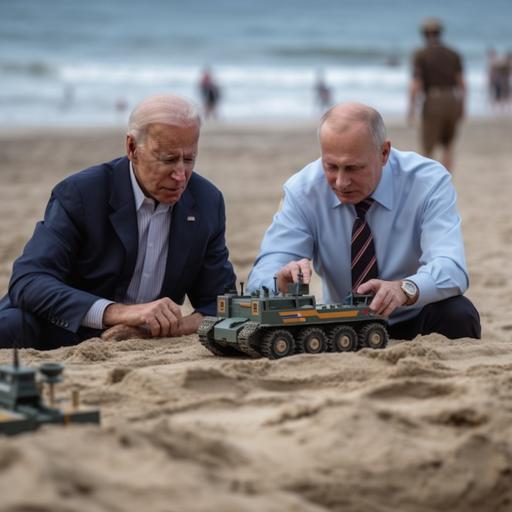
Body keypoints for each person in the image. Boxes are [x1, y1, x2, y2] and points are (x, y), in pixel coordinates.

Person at [0, 94, 236, 349]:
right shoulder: (81, 193)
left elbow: (222, 303)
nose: (180, 176)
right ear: (132, 148)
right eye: (167, 160)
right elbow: (29, 280)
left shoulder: (206, 201)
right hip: (59, 327)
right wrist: (120, 313)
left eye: (189, 159)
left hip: (137, 340)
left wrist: (161, 330)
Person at [247, 102, 480, 341]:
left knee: (460, 314)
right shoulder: (303, 191)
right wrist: (280, 281)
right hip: (338, 324)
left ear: (384, 153)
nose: (341, 182)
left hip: (413, 315)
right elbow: (262, 273)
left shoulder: (428, 182)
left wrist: (404, 289)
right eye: (331, 166)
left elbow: (452, 268)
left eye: (353, 168)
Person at [407, 18, 465, 172]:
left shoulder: (421, 54)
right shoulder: (453, 54)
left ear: (424, 34)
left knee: (428, 148)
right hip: (452, 99)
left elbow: (416, 84)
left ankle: (431, 183)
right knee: (448, 145)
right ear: (440, 33)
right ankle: (446, 182)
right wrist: (462, 106)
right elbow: (462, 84)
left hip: (433, 99)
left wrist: (411, 109)